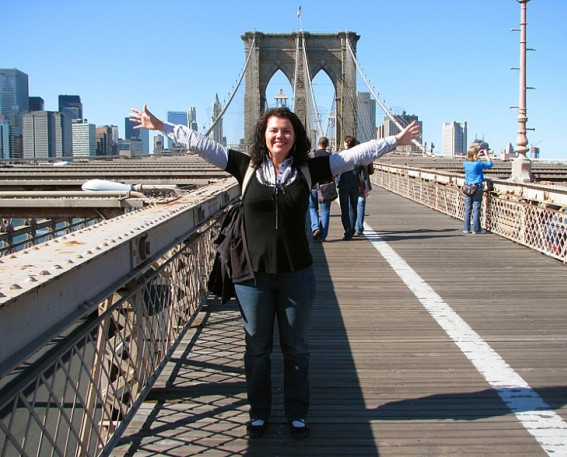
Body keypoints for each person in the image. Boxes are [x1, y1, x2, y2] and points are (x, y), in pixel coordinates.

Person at [129, 104, 420, 440]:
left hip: (298, 275)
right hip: (253, 277)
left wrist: (394, 141)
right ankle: (259, 412)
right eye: (273, 130)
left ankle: (297, 413)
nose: (279, 135)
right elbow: (203, 145)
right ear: (263, 136)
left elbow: (355, 156)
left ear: (295, 136)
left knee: (296, 348)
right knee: (257, 349)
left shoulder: (310, 169)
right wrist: (162, 125)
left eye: (286, 130)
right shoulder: (245, 167)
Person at [462, 143, 493, 234]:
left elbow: (471, 162)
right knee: (476, 209)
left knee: (468, 209)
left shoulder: (465, 163)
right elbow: (490, 165)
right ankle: (476, 229)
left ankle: (466, 228)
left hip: (467, 187)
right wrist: (487, 156)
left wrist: (477, 156)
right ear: (475, 154)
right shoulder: (478, 164)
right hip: (477, 187)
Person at [336, 136, 361, 241]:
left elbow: (335, 169)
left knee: (345, 209)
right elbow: (362, 170)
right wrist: (366, 186)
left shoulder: (340, 155)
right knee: (353, 208)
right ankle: (351, 229)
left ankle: (348, 231)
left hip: (343, 185)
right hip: (355, 184)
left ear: (346, 143)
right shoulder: (358, 155)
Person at [308, 137, 332, 241]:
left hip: (313, 186)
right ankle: (323, 236)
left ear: (318, 144)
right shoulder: (331, 156)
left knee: (312, 208)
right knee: (325, 211)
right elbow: (334, 172)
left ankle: (315, 227)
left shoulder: (311, 156)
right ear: (327, 145)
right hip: (326, 186)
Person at [354, 164, 371, 236]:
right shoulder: (365, 158)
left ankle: (350, 229)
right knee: (361, 206)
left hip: (350, 186)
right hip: (361, 186)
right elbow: (370, 171)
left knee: (351, 207)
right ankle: (359, 228)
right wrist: (367, 187)